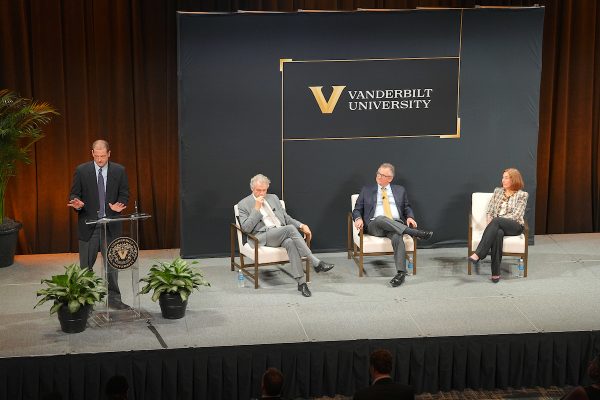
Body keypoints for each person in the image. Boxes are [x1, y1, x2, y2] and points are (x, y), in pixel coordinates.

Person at [237, 174, 334, 297]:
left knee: (291, 242)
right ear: (252, 189)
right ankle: (315, 262)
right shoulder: (243, 204)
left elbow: (286, 218)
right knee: (289, 229)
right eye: (258, 190)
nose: (261, 193)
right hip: (262, 236)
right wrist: (256, 209)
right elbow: (246, 228)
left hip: (281, 232)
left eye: (264, 190)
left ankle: (302, 283)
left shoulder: (273, 198)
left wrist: (301, 225)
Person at [67, 140, 130, 309]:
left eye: (103, 156)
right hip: (89, 225)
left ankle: (114, 299)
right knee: (85, 266)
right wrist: (77, 203)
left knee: (113, 264)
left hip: (110, 224)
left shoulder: (119, 170)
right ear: (92, 153)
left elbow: (124, 193)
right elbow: (74, 194)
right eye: (97, 156)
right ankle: (85, 299)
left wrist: (119, 205)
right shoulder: (82, 171)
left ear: (109, 154)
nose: (100, 160)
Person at [352, 163, 433, 287]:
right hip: (375, 225)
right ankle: (414, 233)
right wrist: (358, 218)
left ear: (390, 178)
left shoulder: (400, 190)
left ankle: (401, 273)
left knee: (397, 236)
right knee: (380, 218)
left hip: (396, 224)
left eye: (382, 175)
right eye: (378, 173)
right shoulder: (366, 190)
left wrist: (410, 217)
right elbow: (357, 209)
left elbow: (407, 208)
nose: (378, 176)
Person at [468, 168, 528, 283]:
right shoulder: (498, 191)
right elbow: (490, 210)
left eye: (506, 178)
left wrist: (497, 220)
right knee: (497, 233)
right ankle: (495, 273)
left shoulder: (522, 195)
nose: (503, 180)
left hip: (514, 226)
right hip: (498, 225)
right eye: (503, 177)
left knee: (496, 221)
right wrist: (491, 219)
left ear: (514, 179)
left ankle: (479, 254)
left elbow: (516, 215)